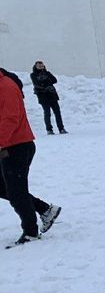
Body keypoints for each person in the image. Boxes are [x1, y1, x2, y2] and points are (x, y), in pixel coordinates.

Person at [0, 69, 61, 247]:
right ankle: (45, 209)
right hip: (9, 145)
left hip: (16, 146)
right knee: (4, 187)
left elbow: (11, 118)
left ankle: (30, 232)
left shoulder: (6, 87)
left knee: (15, 191)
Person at [29, 60, 67, 135]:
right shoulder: (33, 75)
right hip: (43, 96)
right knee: (47, 113)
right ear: (35, 66)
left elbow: (54, 80)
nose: (40, 66)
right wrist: (46, 84)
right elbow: (37, 84)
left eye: (42, 65)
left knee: (57, 112)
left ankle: (61, 128)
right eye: (39, 65)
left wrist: (45, 80)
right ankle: (49, 129)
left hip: (52, 95)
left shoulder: (47, 73)